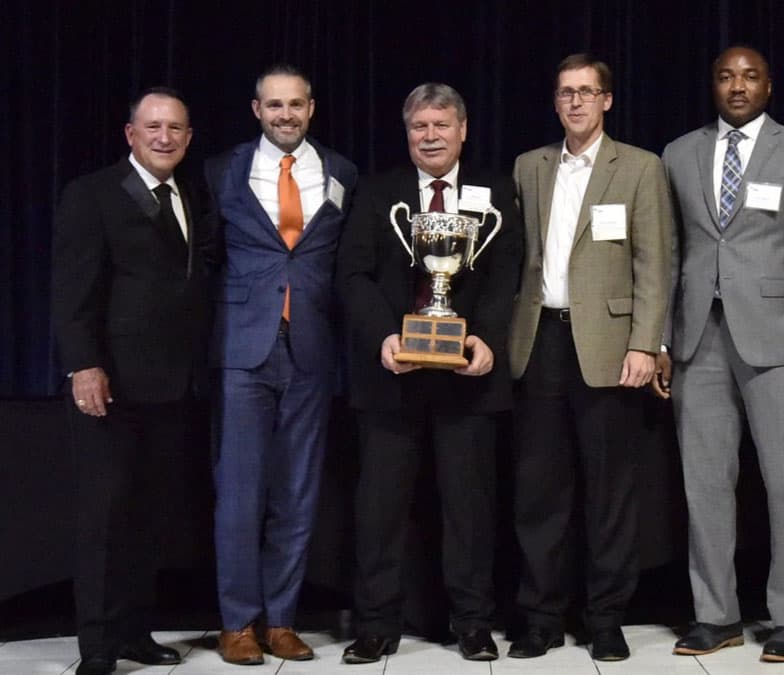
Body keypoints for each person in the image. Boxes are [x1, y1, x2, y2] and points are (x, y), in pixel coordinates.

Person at [654, 45, 784, 663]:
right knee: (705, 483)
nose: (738, 86)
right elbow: (669, 256)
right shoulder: (678, 154)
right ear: (713, 85)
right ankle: (717, 615)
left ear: (769, 85)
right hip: (696, 340)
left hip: (778, 341)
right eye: (726, 76)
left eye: (750, 76)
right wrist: (660, 339)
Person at [335, 82, 522, 664]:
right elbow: (353, 275)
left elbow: (509, 274)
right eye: (420, 127)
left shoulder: (494, 191)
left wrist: (484, 339)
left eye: (442, 125)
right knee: (381, 510)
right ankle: (375, 625)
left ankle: (472, 622)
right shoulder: (377, 190)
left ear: (463, 129)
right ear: (407, 132)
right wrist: (385, 338)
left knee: (469, 509)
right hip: (392, 377)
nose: (431, 136)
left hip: (468, 379)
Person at [507, 53, 671, 662]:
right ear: (555, 103)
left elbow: (656, 263)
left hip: (609, 345)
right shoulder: (529, 166)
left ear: (607, 100)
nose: (575, 102)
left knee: (610, 492)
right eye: (565, 93)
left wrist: (645, 344)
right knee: (539, 491)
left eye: (586, 92)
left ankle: (605, 617)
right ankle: (541, 617)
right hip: (539, 341)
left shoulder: (640, 167)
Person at [52, 87, 213, 675]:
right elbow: (72, 292)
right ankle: (96, 648)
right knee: (103, 521)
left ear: (189, 138)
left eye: (175, 128)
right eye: (153, 127)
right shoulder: (91, 194)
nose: (164, 137)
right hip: (110, 387)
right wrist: (83, 365)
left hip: (173, 387)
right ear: (130, 134)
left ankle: (133, 631)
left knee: (148, 518)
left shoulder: (193, 193)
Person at [206, 63, 358, 665]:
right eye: (274, 105)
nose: (285, 115)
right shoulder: (223, 171)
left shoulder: (341, 172)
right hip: (242, 352)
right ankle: (238, 623)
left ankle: (283, 620)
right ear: (256, 110)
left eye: (296, 104)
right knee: (239, 494)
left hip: (313, 351)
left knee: (298, 493)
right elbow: (207, 260)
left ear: (311, 109)